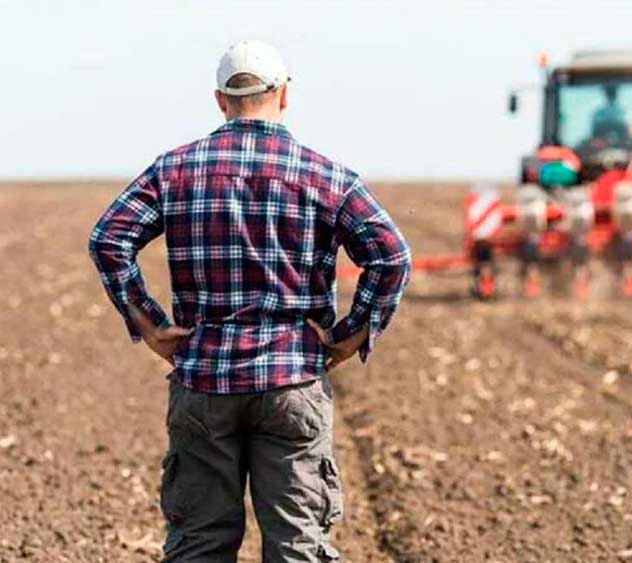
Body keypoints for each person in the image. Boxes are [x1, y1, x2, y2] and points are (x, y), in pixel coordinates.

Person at [88, 40, 411, 562]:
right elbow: (392, 256)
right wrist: (353, 334)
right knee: (298, 546)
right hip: (293, 381)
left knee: (199, 544)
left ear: (221, 100)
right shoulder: (327, 176)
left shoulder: (175, 170)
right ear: (284, 95)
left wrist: (150, 325)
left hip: (204, 381)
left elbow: (109, 238)